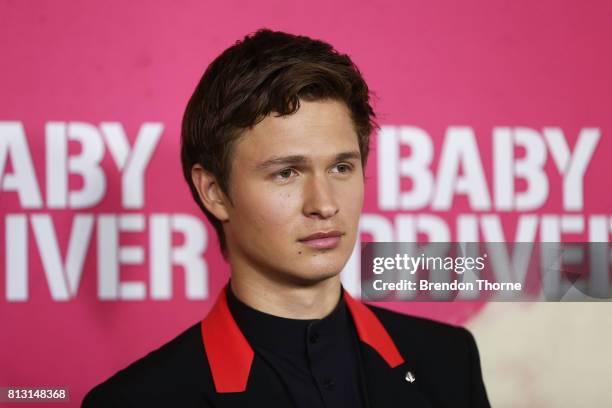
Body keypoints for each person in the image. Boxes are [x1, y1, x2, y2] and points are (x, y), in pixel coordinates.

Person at [82, 28, 490, 408]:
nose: (325, 204)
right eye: (286, 172)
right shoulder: (137, 401)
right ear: (214, 192)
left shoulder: (448, 361)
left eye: (341, 168)